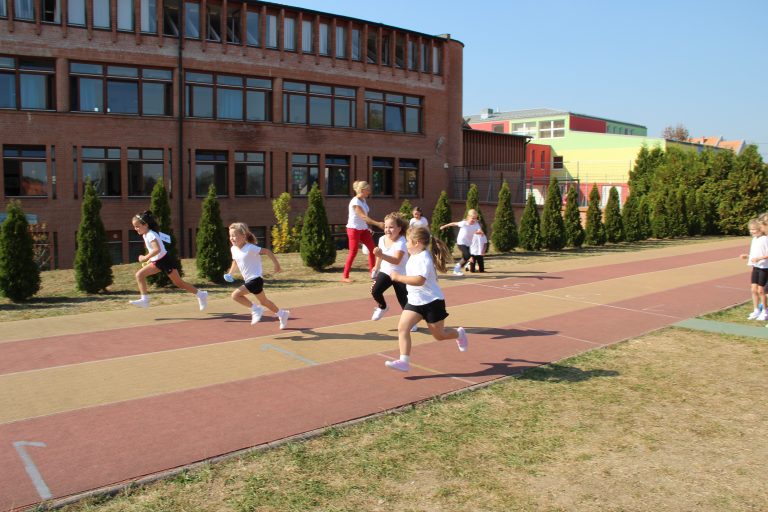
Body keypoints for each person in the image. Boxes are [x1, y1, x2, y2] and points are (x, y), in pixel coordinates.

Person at [385, 226, 469, 372]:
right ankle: (404, 361)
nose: (406, 244)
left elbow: (419, 280)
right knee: (402, 328)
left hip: (432, 302)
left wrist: (398, 277)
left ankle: (459, 334)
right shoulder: (414, 255)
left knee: (440, 336)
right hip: (415, 302)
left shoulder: (424, 257)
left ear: (417, 243)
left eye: (408, 241)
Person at [129, 211, 208, 310]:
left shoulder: (150, 235)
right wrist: (150, 260)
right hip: (157, 262)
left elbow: (157, 249)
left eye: (137, 226)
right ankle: (144, 300)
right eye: (134, 226)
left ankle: (201, 295)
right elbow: (156, 250)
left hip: (165, 261)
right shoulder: (146, 234)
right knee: (139, 275)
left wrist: (145, 258)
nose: (135, 229)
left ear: (145, 225)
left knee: (179, 283)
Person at [225, 222, 290, 329]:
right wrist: (230, 273)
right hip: (249, 281)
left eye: (234, 235)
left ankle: (256, 309)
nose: (232, 238)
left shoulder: (250, 247)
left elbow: (267, 251)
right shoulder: (233, 249)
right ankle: (282, 314)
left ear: (243, 236)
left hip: (256, 279)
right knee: (264, 301)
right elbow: (235, 261)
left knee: (235, 296)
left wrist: (277, 265)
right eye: (230, 235)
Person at [371, 212, 419, 331]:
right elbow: (379, 255)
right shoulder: (382, 239)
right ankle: (383, 307)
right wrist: (376, 267)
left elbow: (396, 260)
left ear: (399, 228)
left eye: (391, 227)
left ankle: (412, 322)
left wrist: (381, 254)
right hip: (386, 272)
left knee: (403, 300)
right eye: (386, 227)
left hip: (400, 274)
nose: (388, 230)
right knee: (375, 291)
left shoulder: (402, 242)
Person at [342, 181, 384, 283]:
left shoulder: (363, 200)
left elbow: (363, 219)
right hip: (353, 229)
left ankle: (373, 273)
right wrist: (378, 224)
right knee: (353, 252)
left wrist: (367, 227)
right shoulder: (355, 202)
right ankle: (345, 276)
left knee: (373, 250)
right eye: (368, 190)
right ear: (362, 190)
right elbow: (364, 217)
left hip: (363, 229)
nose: (369, 192)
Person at [439, 209, 481, 276]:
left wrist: (478, 232)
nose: (474, 220)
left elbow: (479, 231)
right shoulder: (464, 223)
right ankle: (457, 269)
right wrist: (444, 226)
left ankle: (464, 266)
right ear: (468, 217)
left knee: (465, 257)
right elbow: (453, 223)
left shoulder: (476, 224)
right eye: (472, 218)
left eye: (475, 218)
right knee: (467, 255)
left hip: (468, 243)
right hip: (461, 242)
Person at [742, 217, 768, 320]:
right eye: (750, 229)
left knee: (761, 290)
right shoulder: (754, 239)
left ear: (760, 229)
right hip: (755, 267)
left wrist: (759, 258)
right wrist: (748, 256)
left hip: (764, 267)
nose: (752, 231)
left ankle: (764, 311)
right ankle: (756, 310)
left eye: (754, 229)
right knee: (753, 289)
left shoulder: (765, 239)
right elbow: (755, 253)